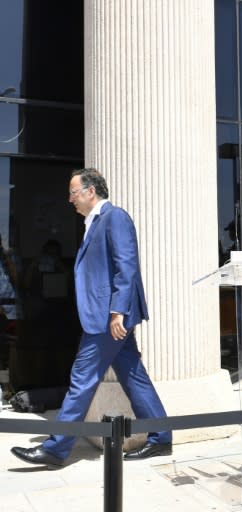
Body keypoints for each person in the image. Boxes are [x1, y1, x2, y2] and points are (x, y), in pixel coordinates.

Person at [11, 168, 172, 468]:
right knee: (134, 376)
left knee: (81, 379)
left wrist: (117, 313)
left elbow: (127, 268)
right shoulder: (93, 223)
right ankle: (161, 437)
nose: (69, 198)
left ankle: (56, 448)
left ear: (90, 191)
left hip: (107, 319)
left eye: (73, 192)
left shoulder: (115, 218)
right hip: (103, 317)